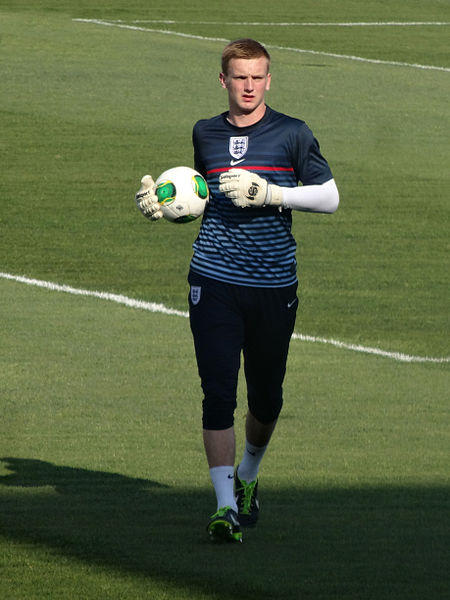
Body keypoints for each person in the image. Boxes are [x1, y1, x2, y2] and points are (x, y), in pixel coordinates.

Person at [135, 38, 339, 543]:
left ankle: (247, 476)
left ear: (269, 80)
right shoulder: (204, 133)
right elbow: (198, 196)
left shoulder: (292, 133)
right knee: (217, 393)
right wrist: (160, 205)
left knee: (266, 399)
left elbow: (330, 197)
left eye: (257, 77)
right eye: (239, 77)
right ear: (222, 81)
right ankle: (225, 508)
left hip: (272, 284)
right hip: (213, 280)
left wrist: (270, 193)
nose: (248, 86)